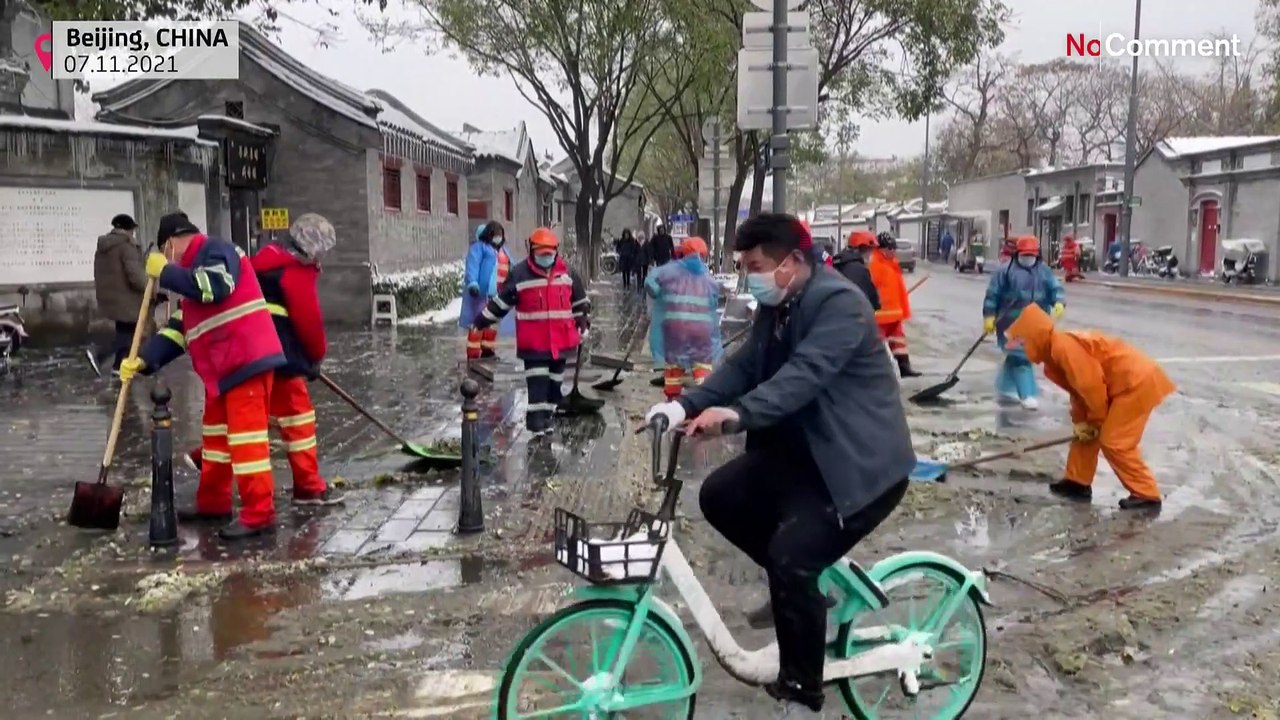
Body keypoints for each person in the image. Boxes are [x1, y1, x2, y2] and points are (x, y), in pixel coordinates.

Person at [644, 213, 913, 717]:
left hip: (857, 466)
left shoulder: (839, 305)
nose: (750, 277)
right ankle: (802, 594)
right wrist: (685, 405)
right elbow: (746, 364)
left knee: (792, 556)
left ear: (792, 261)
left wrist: (739, 415)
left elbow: (804, 376)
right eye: (743, 267)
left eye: (757, 265)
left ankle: (802, 693)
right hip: (803, 456)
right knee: (719, 497)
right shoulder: (782, 304)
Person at [119, 214, 286, 540]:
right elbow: (182, 329)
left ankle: (259, 513)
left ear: (169, 244)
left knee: (246, 444)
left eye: (165, 254)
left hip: (245, 363)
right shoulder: (194, 276)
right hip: (223, 371)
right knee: (217, 444)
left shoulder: (217, 251)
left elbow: (215, 288)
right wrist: (143, 360)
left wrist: (166, 272)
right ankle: (213, 503)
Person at [1005, 303, 1173, 510]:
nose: (1021, 349)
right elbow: (1079, 393)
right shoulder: (1053, 355)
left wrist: (1094, 420)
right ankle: (1077, 482)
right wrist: (1080, 421)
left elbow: (1091, 387)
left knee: (1115, 441)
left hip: (1135, 383)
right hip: (1117, 385)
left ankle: (1147, 494)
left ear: (1034, 338)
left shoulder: (1063, 349)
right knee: (1084, 433)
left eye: (1022, 343)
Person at [471, 227, 590, 435]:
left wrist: (582, 321)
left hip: (561, 342)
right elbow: (501, 303)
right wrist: (482, 320)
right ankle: (536, 422)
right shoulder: (519, 274)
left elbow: (580, 300)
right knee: (538, 384)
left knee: (555, 383)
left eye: (549, 254)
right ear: (532, 250)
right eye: (541, 253)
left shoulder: (567, 273)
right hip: (534, 344)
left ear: (556, 251)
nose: (546, 257)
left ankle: (548, 418)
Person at [982, 235, 1065, 410]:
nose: (1028, 258)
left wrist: (1058, 302)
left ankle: (1005, 387)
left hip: (1034, 326)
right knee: (1021, 358)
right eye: (1025, 254)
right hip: (1009, 325)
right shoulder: (1005, 272)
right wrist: (989, 316)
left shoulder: (1044, 272)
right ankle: (1027, 395)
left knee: (1015, 357)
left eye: (1031, 255)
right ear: (1017, 254)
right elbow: (992, 295)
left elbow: (1055, 289)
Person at [646, 236, 721, 399]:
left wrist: (659, 293)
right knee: (701, 362)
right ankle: (704, 396)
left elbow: (650, 284)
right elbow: (714, 301)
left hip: (676, 330)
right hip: (701, 331)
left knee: (674, 364)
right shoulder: (708, 278)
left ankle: (673, 399)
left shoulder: (670, 271)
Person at [92, 213, 149, 375]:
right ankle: (102, 357)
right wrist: (150, 288)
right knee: (128, 332)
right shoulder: (126, 246)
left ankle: (118, 364)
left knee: (124, 330)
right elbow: (135, 275)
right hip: (127, 297)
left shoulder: (104, 246)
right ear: (128, 229)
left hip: (112, 295)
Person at [868, 231, 921, 378]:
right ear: (881, 249)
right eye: (889, 248)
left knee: (899, 342)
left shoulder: (892, 264)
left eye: (893, 248)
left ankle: (905, 368)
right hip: (881, 315)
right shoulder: (875, 265)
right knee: (876, 345)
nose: (892, 251)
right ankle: (876, 373)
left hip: (894, 313)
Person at [461, 221, 513, 359]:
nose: (498, 237)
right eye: (495, 234)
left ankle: (488, 350)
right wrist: (472, 283)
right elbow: (472, 265)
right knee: (479, 321)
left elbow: (510, 266)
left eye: (500, 234)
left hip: (498, 294)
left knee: (493, 323)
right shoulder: (479, 248)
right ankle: (473, 353)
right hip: (481, 294)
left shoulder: (502, 250)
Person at [832, 230, 880, 310]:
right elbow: (871, 301)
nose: (871, 255)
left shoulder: (838, 264)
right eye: (871, 251)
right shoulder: (859, 271)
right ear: (863, 249)